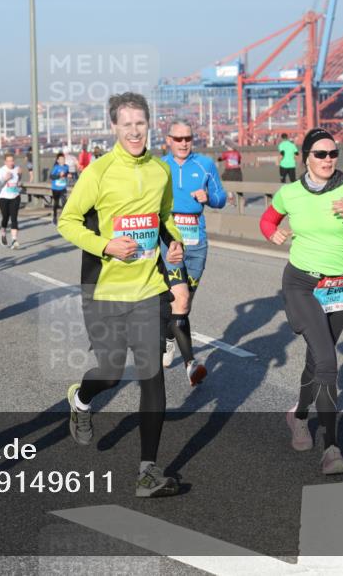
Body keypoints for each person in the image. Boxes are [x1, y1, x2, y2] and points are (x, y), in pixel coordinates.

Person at [58, 92, 184, 498]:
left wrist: (175, 241)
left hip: (148, 288)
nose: (134, 130)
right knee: (110, 372)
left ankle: (148, 471)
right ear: (114, 127)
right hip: (105, 290)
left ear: (149, 124)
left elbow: (163, 218)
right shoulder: (99, 172)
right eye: (126, 124)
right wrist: (106, 245)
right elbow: (68, 221)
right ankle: (81, 398)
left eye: (140, 123)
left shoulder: (161, 170)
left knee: (153, 377)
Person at [259, 128, 343, 475]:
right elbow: (267, 219)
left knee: (317, 359)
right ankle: (332, 448)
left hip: (341, 286)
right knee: (328, 360)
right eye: (320, 154)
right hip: (301, 283)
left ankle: (297, 416)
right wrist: (273, 233)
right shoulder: (290, 193)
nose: (328, 160)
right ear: (305, 158)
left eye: (333, 154)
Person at [161, 120, 225, 385]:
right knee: (181, 299)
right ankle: (191, 363)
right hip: (170, 239)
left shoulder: (205, 165)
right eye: (178, 139)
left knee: (184, 305)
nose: (184, 143)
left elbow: (221, 198)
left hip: (196, 240)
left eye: (188, 138)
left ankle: (168, 335)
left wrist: (208, 198)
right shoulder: (159, 167)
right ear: (168, 140)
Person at [0, 152, 23, 249]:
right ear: (5, 162)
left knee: (14, 218)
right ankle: (3, 231)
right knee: (5, 217)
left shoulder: (17, 168)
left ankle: (14, 240)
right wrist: (5, 179)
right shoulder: (1, 171)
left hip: (15, 196)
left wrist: (20, 177)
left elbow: (18, 181)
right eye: (8, 161)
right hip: (3, 197)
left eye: (12, 160)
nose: (11, 163)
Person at [49, 152, 69, 224]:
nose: (63, 160)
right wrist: (58, 175)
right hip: (55, 188)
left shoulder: (66, 167)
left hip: (63, 187)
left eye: (63, 159)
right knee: (56, 203)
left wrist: (68, 175)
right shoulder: (56, 167)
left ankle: (64, 218)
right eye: (61, 159)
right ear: (58, 160)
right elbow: (51, 177)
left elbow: (67, 173)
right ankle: (54, 217)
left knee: (64, 203)